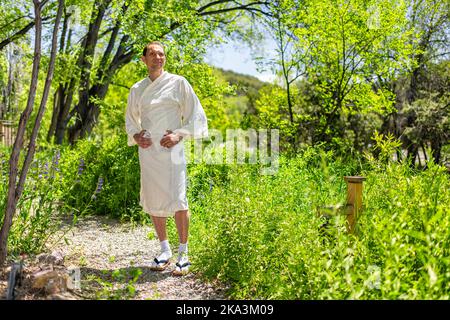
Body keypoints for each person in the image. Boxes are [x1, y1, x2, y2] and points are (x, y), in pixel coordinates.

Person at [125, 41, 208, 276]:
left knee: (178, 199)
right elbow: (131, 120)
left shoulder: (178, 82)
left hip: (173, 149)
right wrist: (136, 135)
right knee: (153, 198)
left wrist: (178, 134)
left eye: (161, 54)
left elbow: (196, 115)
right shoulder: (137, 88)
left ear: (165, 58)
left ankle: (184, 252)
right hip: (149, 151)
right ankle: (164, 249)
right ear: (144, 60)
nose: (157, 57)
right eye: (152, 54)